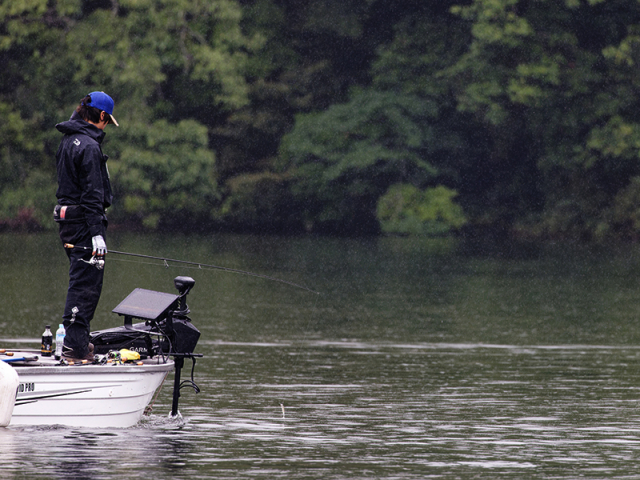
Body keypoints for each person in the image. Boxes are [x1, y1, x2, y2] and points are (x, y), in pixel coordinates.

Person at [53, 91, 119, 361]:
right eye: (107, 121)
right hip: (84, 223)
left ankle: (77, 341)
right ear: (102, 116)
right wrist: (97, 235)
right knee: (86, 283)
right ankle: (76, 347)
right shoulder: (89, 146)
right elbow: (92, 195)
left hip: (68, 220)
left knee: (80, 278)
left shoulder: (68, 139)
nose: (106, 127)